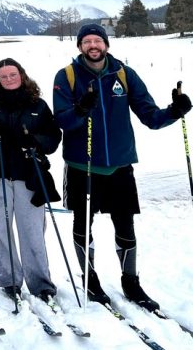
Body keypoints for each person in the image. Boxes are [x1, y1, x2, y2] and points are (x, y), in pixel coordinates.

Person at [52, 24, 191, 309]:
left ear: (106, 44)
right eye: (87, 41)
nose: (93, 45)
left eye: (98, 40)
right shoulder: (66, 76)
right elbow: (62, 120)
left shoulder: (124, 75)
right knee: (83, 223)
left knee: (125, 225)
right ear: (79, 46)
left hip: (120, 165)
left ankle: (131, 282)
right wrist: (80, 109)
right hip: (82, 165)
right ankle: (90, 279)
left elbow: (150, 116)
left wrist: (174, 111)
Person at [0, 58, 61, 301]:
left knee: (32, 230)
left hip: (28, 173)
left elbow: (54, 136)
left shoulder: (37, 104)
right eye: (3, 76)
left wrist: (36, 141)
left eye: (12, 74)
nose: (9, 79)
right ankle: (8, 279)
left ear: (21, 75)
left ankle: (40, 282)